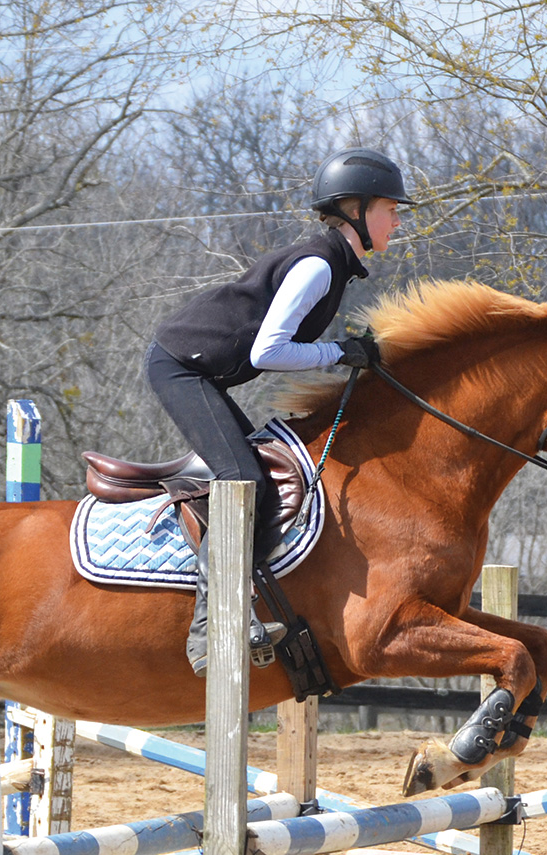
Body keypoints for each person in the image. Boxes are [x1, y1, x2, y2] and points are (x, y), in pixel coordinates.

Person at [146, 147, 414, 676]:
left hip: (200, 370)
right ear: (355, 210)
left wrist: (343, 346)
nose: (397, 219)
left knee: (260, 473)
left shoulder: (332, 265)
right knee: (242, 477)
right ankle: (215, 625)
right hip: (180, 366)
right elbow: (265, 352)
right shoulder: (318, 265)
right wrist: (338, 353)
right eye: (390, 208)